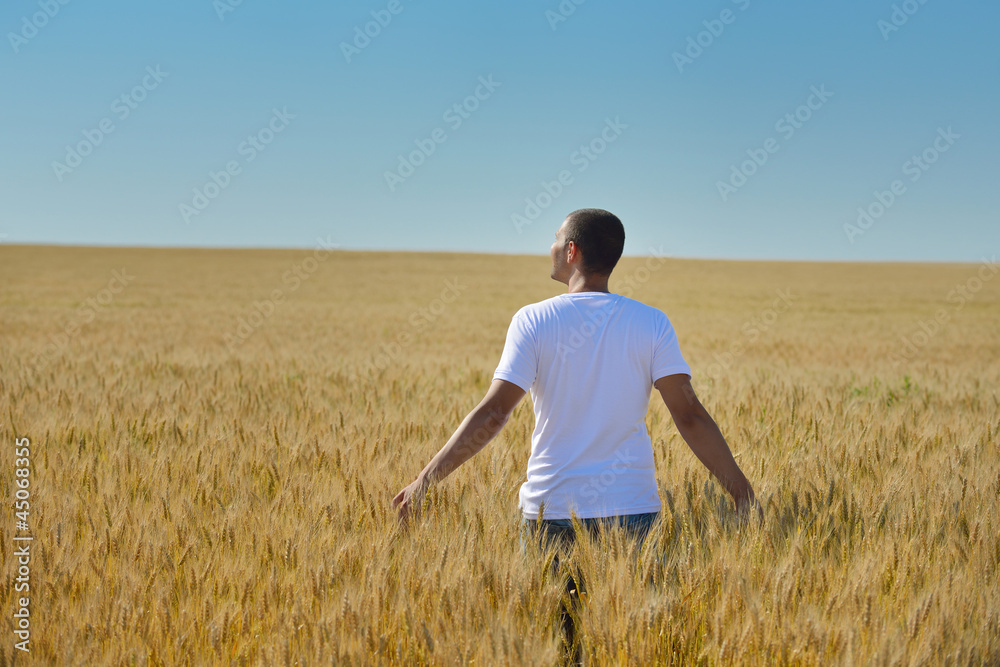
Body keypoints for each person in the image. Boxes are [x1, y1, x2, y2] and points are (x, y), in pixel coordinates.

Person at [392, 208, 760, 660]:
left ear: (572, 251)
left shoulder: (532, 320)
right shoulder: (651, 322)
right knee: (628, 646)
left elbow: (492, 416)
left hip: (552, 514)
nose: (549, 247)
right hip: (631, 513)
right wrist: (741, 492)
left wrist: (425, 480)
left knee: (562, 650)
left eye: (555, 239)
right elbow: (690, 416)